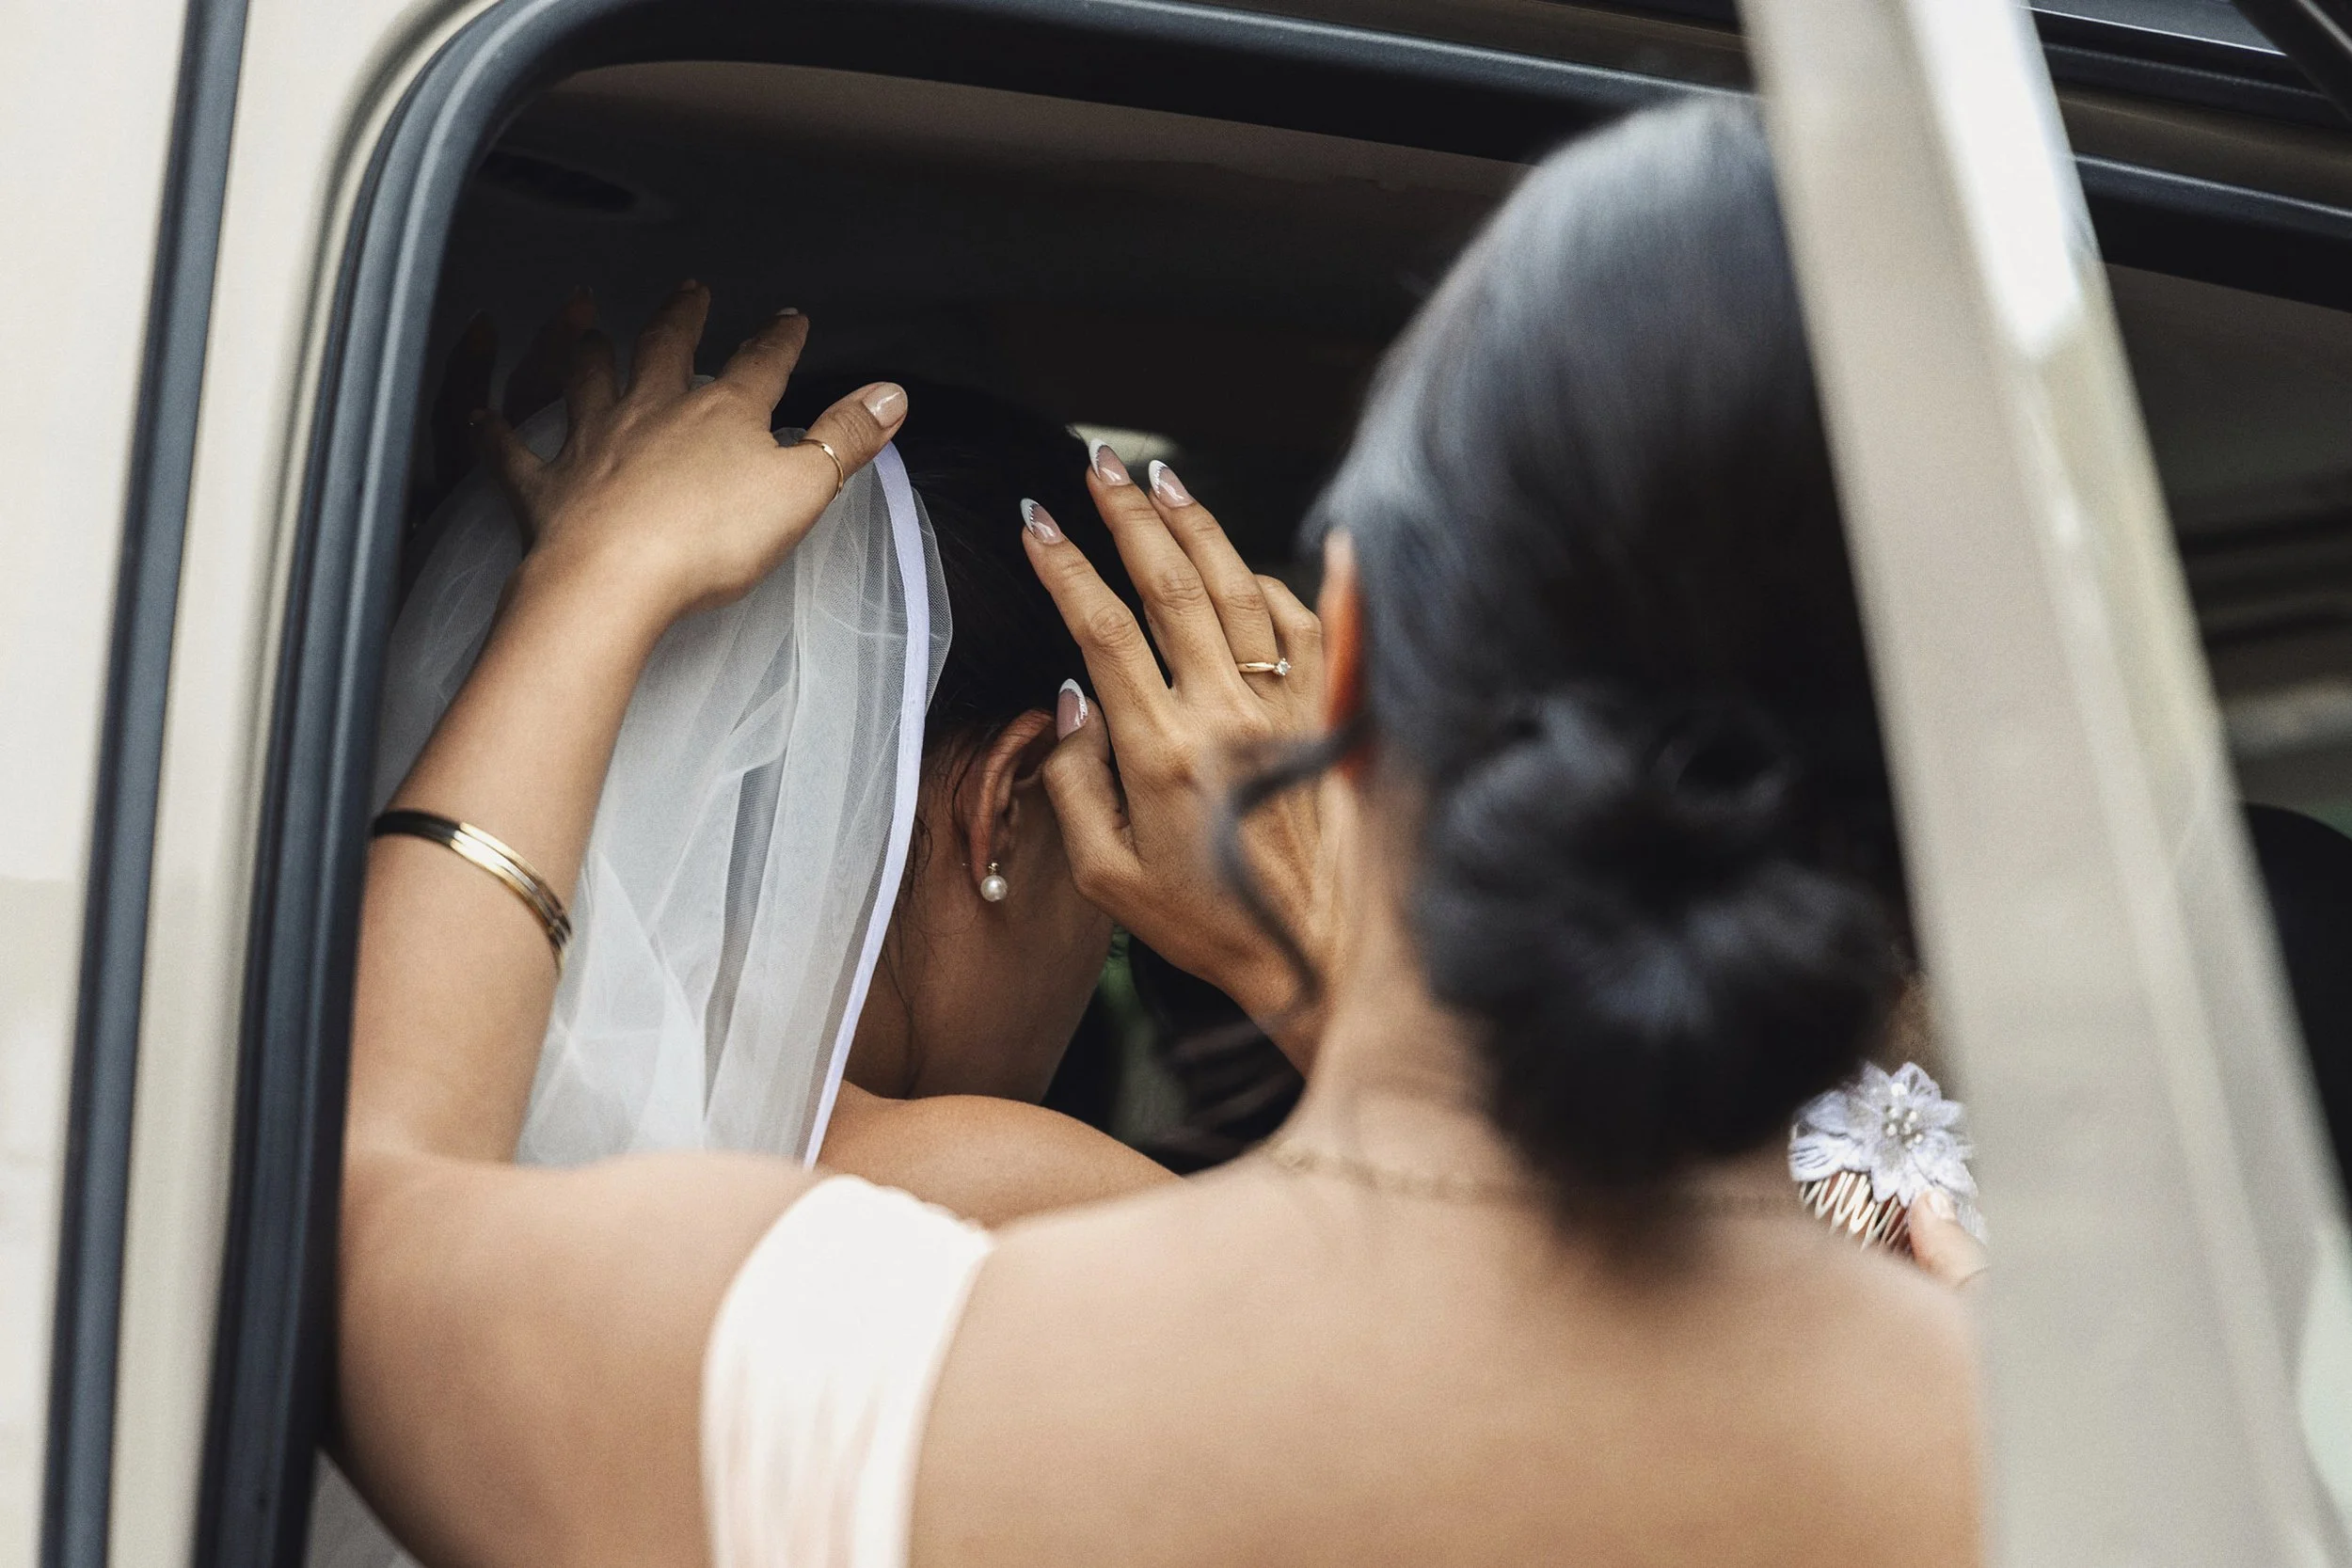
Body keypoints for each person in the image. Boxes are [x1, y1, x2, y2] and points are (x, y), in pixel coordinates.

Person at [338, 98, 1978, 1568]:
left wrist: (584, 590)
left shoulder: (861, 1371)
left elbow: (365, 1202)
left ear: (1349, 676)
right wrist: (1320, 969)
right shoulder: (2071, 1446)